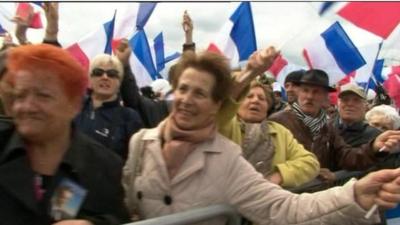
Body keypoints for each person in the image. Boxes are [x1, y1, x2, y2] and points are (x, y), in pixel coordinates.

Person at [123, 49, 400, 225]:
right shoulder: (141, 142)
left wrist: (354, 194)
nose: (186, 100)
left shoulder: (227, 160)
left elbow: (287, 207)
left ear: (218, 104)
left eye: (200, 93)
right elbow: (124, 202)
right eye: (183, 89)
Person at [0, 44, 129, 224]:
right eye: (20, 95)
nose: (27, 106)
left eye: (43, 95)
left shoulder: (105, 167)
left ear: (74, 105)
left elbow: (119, 218)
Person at [269, 69, 396, 182]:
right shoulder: (279, 121)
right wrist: (306, 171)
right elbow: (266, 160)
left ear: (325, 97)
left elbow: (345, 156)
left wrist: (373, 148)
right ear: (299, 93)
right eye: (305, 90)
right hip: (286, 195)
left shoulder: (327, 126)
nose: (309, 96)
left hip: (316, 196)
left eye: (316, 92)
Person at [218, 80, 319, 188]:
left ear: (268, 106)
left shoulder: (280, 132)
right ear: (237, 103)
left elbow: (310, 163)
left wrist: (279, 176)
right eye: (249, 96)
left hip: (269, 199)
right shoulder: (224, 124)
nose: (256, 100)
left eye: (262, 98)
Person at [74, 53, 143, 160]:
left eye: (112, 74)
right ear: (90, 78)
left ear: (119, 81)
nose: (105, 77)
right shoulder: (74, 107)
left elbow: (134, 162)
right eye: (98, 72)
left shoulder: (129, 118)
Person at [333, 83, 381, 147]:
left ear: (366, 106)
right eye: (345, 100)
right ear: (338, 105)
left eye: (356, 100)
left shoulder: (375, 137)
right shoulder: (324, 129)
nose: (350, 104)